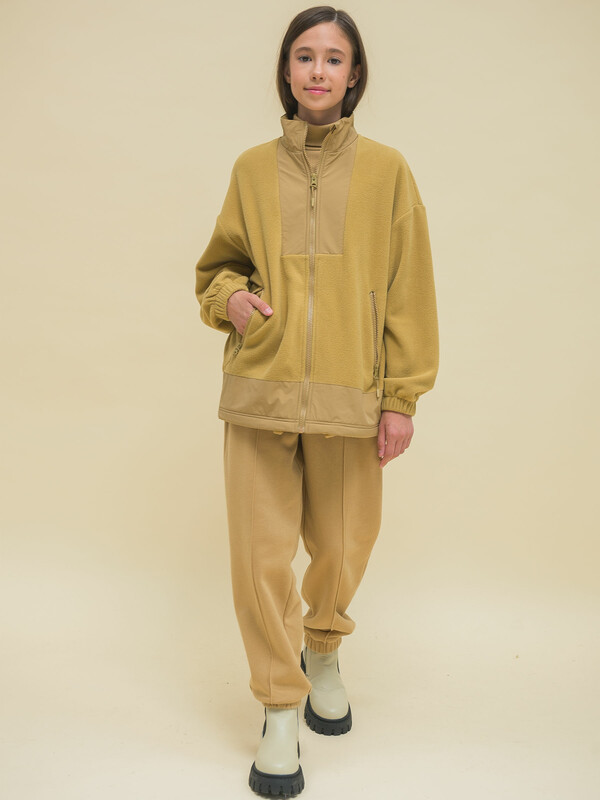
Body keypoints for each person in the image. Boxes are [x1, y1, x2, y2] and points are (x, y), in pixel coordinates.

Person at [194, 5, 439, 797]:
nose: (318, 70)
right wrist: (231, 301)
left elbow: (409, 290)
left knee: (342, 545)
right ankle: (278, 708)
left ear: (355, 74)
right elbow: (216, 270)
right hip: (259, 390)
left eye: (334, 58)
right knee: (259, 561)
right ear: (286, 70)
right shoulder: (250, 169)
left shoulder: (389, 172)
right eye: (304, 56)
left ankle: (323, 647)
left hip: (350, 393)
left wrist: (401, 397)